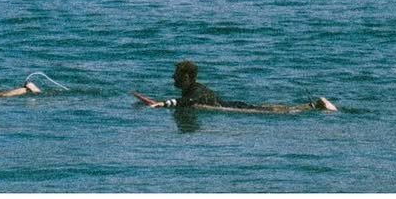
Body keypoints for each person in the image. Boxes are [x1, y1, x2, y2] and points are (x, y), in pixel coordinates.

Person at [139, 60, 336, 113]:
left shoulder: (196, 91)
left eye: (176, 75)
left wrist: (163, 104)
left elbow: (189, 101)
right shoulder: (193, 89)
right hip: (231, 104)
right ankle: (313, 105)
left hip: (233, 106)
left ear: (186, 76)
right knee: (271, 108)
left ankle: (316, 105)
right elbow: (186, 100)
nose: (172, 78)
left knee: (276, 111)